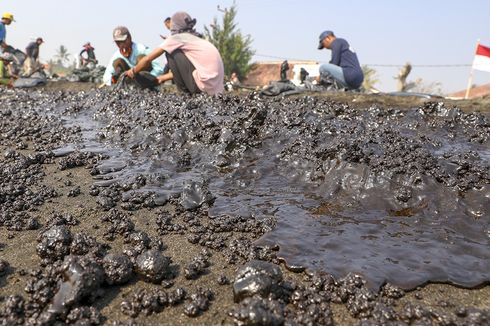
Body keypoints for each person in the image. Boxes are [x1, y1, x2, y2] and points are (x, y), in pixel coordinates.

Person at [126, 11, 224, 95]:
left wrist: (133, 71)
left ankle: (184, 94)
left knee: (171, 52)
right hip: (215, 89)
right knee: (175, 51)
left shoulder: (177, 38)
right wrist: (161, 78)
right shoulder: (196, 39)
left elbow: (148, 59)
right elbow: (188, 69)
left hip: (202, 87)